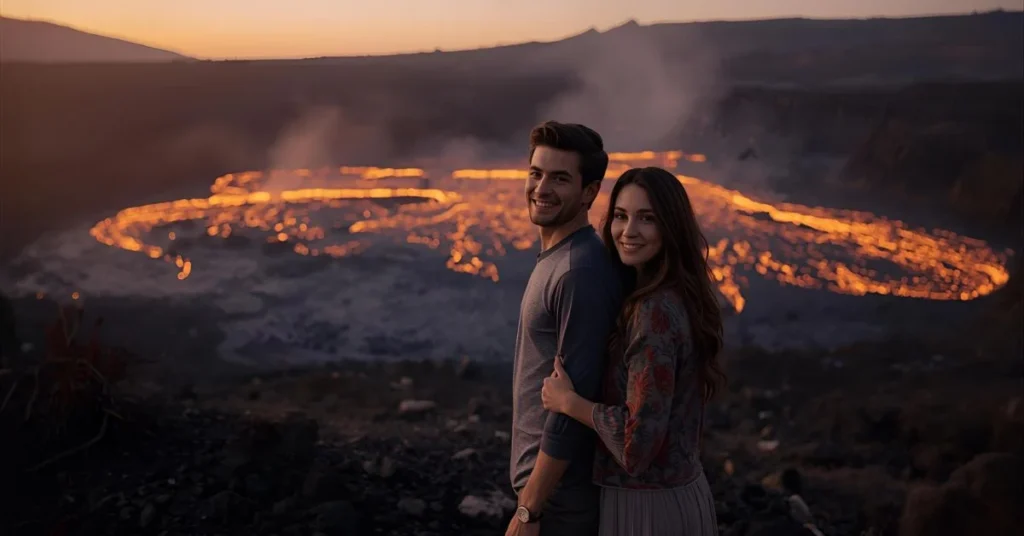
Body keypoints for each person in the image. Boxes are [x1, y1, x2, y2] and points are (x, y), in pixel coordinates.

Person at [541, 166, 725, 536]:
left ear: (671, 227)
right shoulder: (676, 296)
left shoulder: (653, 312)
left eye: (647, 219)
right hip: (679, 496)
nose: (628, 232)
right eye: (621, 216)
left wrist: (569, 403)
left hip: (649, 511)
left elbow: (636, 446)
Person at [506, 121, 625, 536]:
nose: (541, 188)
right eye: (536, 173)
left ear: (589, 192)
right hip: (548, 495)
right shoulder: (560, 258)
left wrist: (530, 509)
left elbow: (574, 401)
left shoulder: (579, 272)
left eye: (560, 178)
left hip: (559, 502)